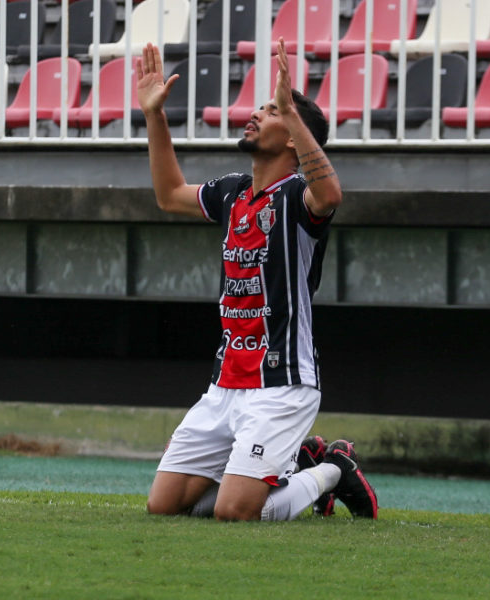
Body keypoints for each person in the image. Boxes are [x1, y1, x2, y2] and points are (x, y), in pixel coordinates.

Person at [137, 37, 377, 521]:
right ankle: (285, 467)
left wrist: (291, 111)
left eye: (269, 113)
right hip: (225, 383)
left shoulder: (298, 196)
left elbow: (329, 194)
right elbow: (168, 195)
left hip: (282, 383)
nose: (255, 115)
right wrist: (154, 116)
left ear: (291, 134)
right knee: (162, 507)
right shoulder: (232, 192)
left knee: (234, 514)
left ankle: (333, 468)